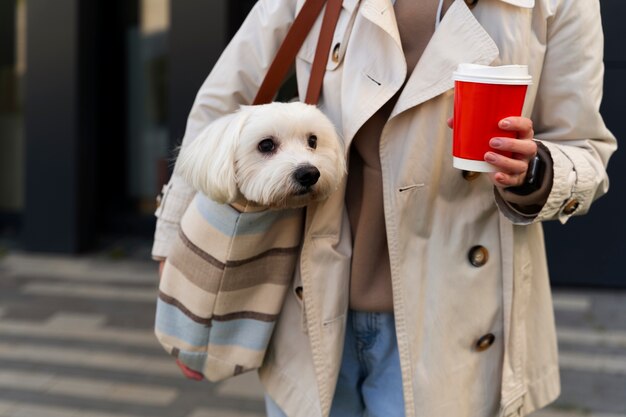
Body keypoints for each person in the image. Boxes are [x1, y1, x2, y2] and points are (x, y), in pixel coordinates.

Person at [152, 0, 616, 416]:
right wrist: (176, 244)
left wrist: (535, 171)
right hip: (310, 296)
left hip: (453, 313)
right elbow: (223, 101)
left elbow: (584, 150)